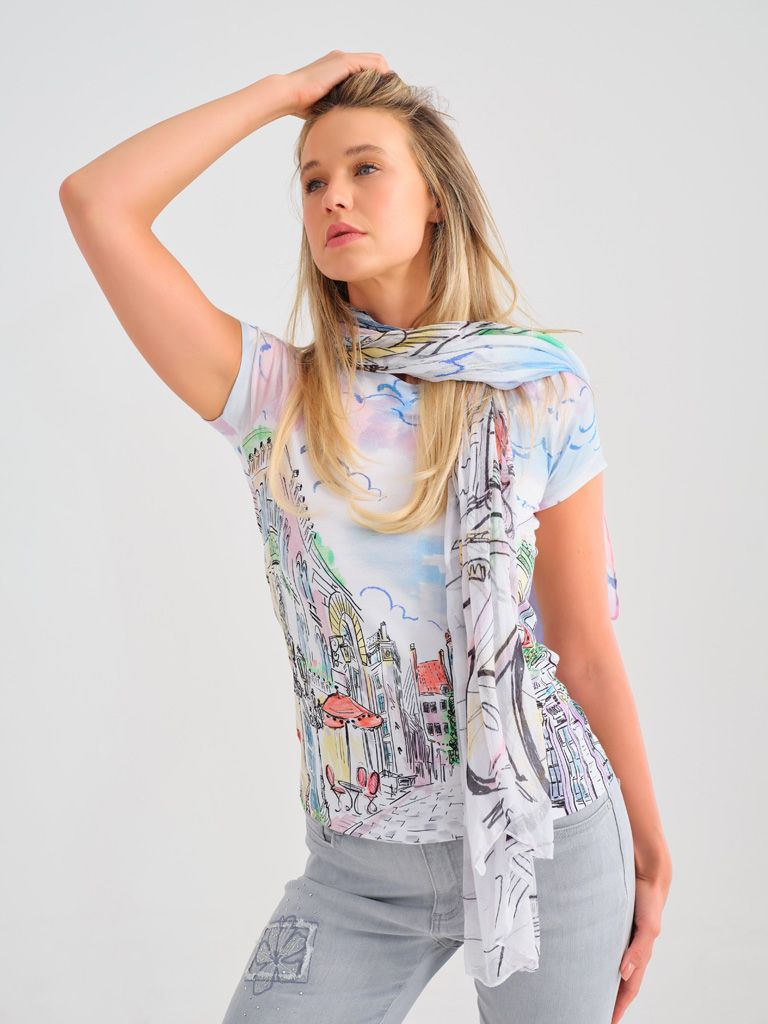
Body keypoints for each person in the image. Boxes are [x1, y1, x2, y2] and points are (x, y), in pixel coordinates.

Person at [59, 50, 672, 1024]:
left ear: (436, 200)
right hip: (357, 877)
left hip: (550, 841)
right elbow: (97, 202)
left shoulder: (540, 386)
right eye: (312, 181)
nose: (333, 196)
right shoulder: (275, 393)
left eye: (365, 168)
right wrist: (281, 95)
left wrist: (648, 841)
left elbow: (583, 645)